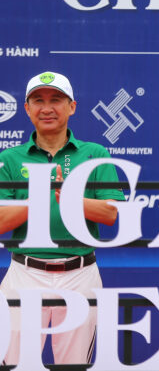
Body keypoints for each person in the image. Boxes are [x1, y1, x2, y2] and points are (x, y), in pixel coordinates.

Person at [0, 71, 124, 365]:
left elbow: (111, 213)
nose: (47, 108)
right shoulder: (9, 158)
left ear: (72, 107)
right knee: (15, 364)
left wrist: (68, 197)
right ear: (27, 108)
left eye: (56, 99)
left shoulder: (95, 153)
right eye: (38, 101)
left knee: (74, 364)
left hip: (80, 273)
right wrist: (38, 195)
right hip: (25, 273)